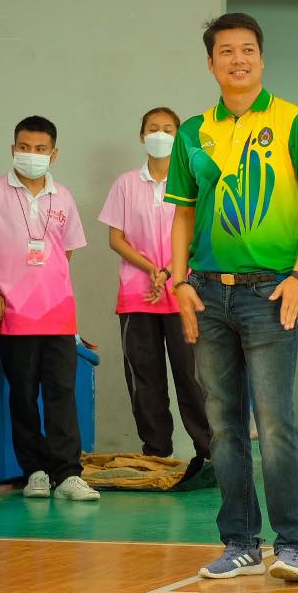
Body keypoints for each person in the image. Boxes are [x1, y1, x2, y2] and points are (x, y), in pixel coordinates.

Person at [168, 13, 298, 583]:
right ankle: (240, 543)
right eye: (226, 51)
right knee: (222, 426)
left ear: (262, 58)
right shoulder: (193, 132)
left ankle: (292, 547)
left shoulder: (293, 121)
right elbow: (182, 214)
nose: (237, 60)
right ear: (210, 63)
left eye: (247, 50)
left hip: (271, 292)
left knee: (276, 423)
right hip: (208, 293)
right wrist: (180, 282)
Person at [0, 115, 98, 502]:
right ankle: (35, 472)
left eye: (40, 149)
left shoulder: (63, 197)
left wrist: (48, 287)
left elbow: (64, 253)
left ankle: (69, 475)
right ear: (13, 149)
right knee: (23, 397)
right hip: (13, 317)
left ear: (54, 154)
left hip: (58, 315)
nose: (31, 155)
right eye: (24, 147)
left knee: (62, 395)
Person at [98, 106, 211, 466]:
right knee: (145, 379)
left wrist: (169, 272)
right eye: (152, 128)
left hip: (184, 292)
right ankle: (157, 452)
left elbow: (199, 235)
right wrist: (151, 269)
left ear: (179, 138)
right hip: (138, 295)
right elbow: (116, 238)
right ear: (142, 135)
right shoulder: (126, 184)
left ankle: (209, 452)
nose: (159, 135)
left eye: (168, 129)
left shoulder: (193, 182)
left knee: (193, 376)